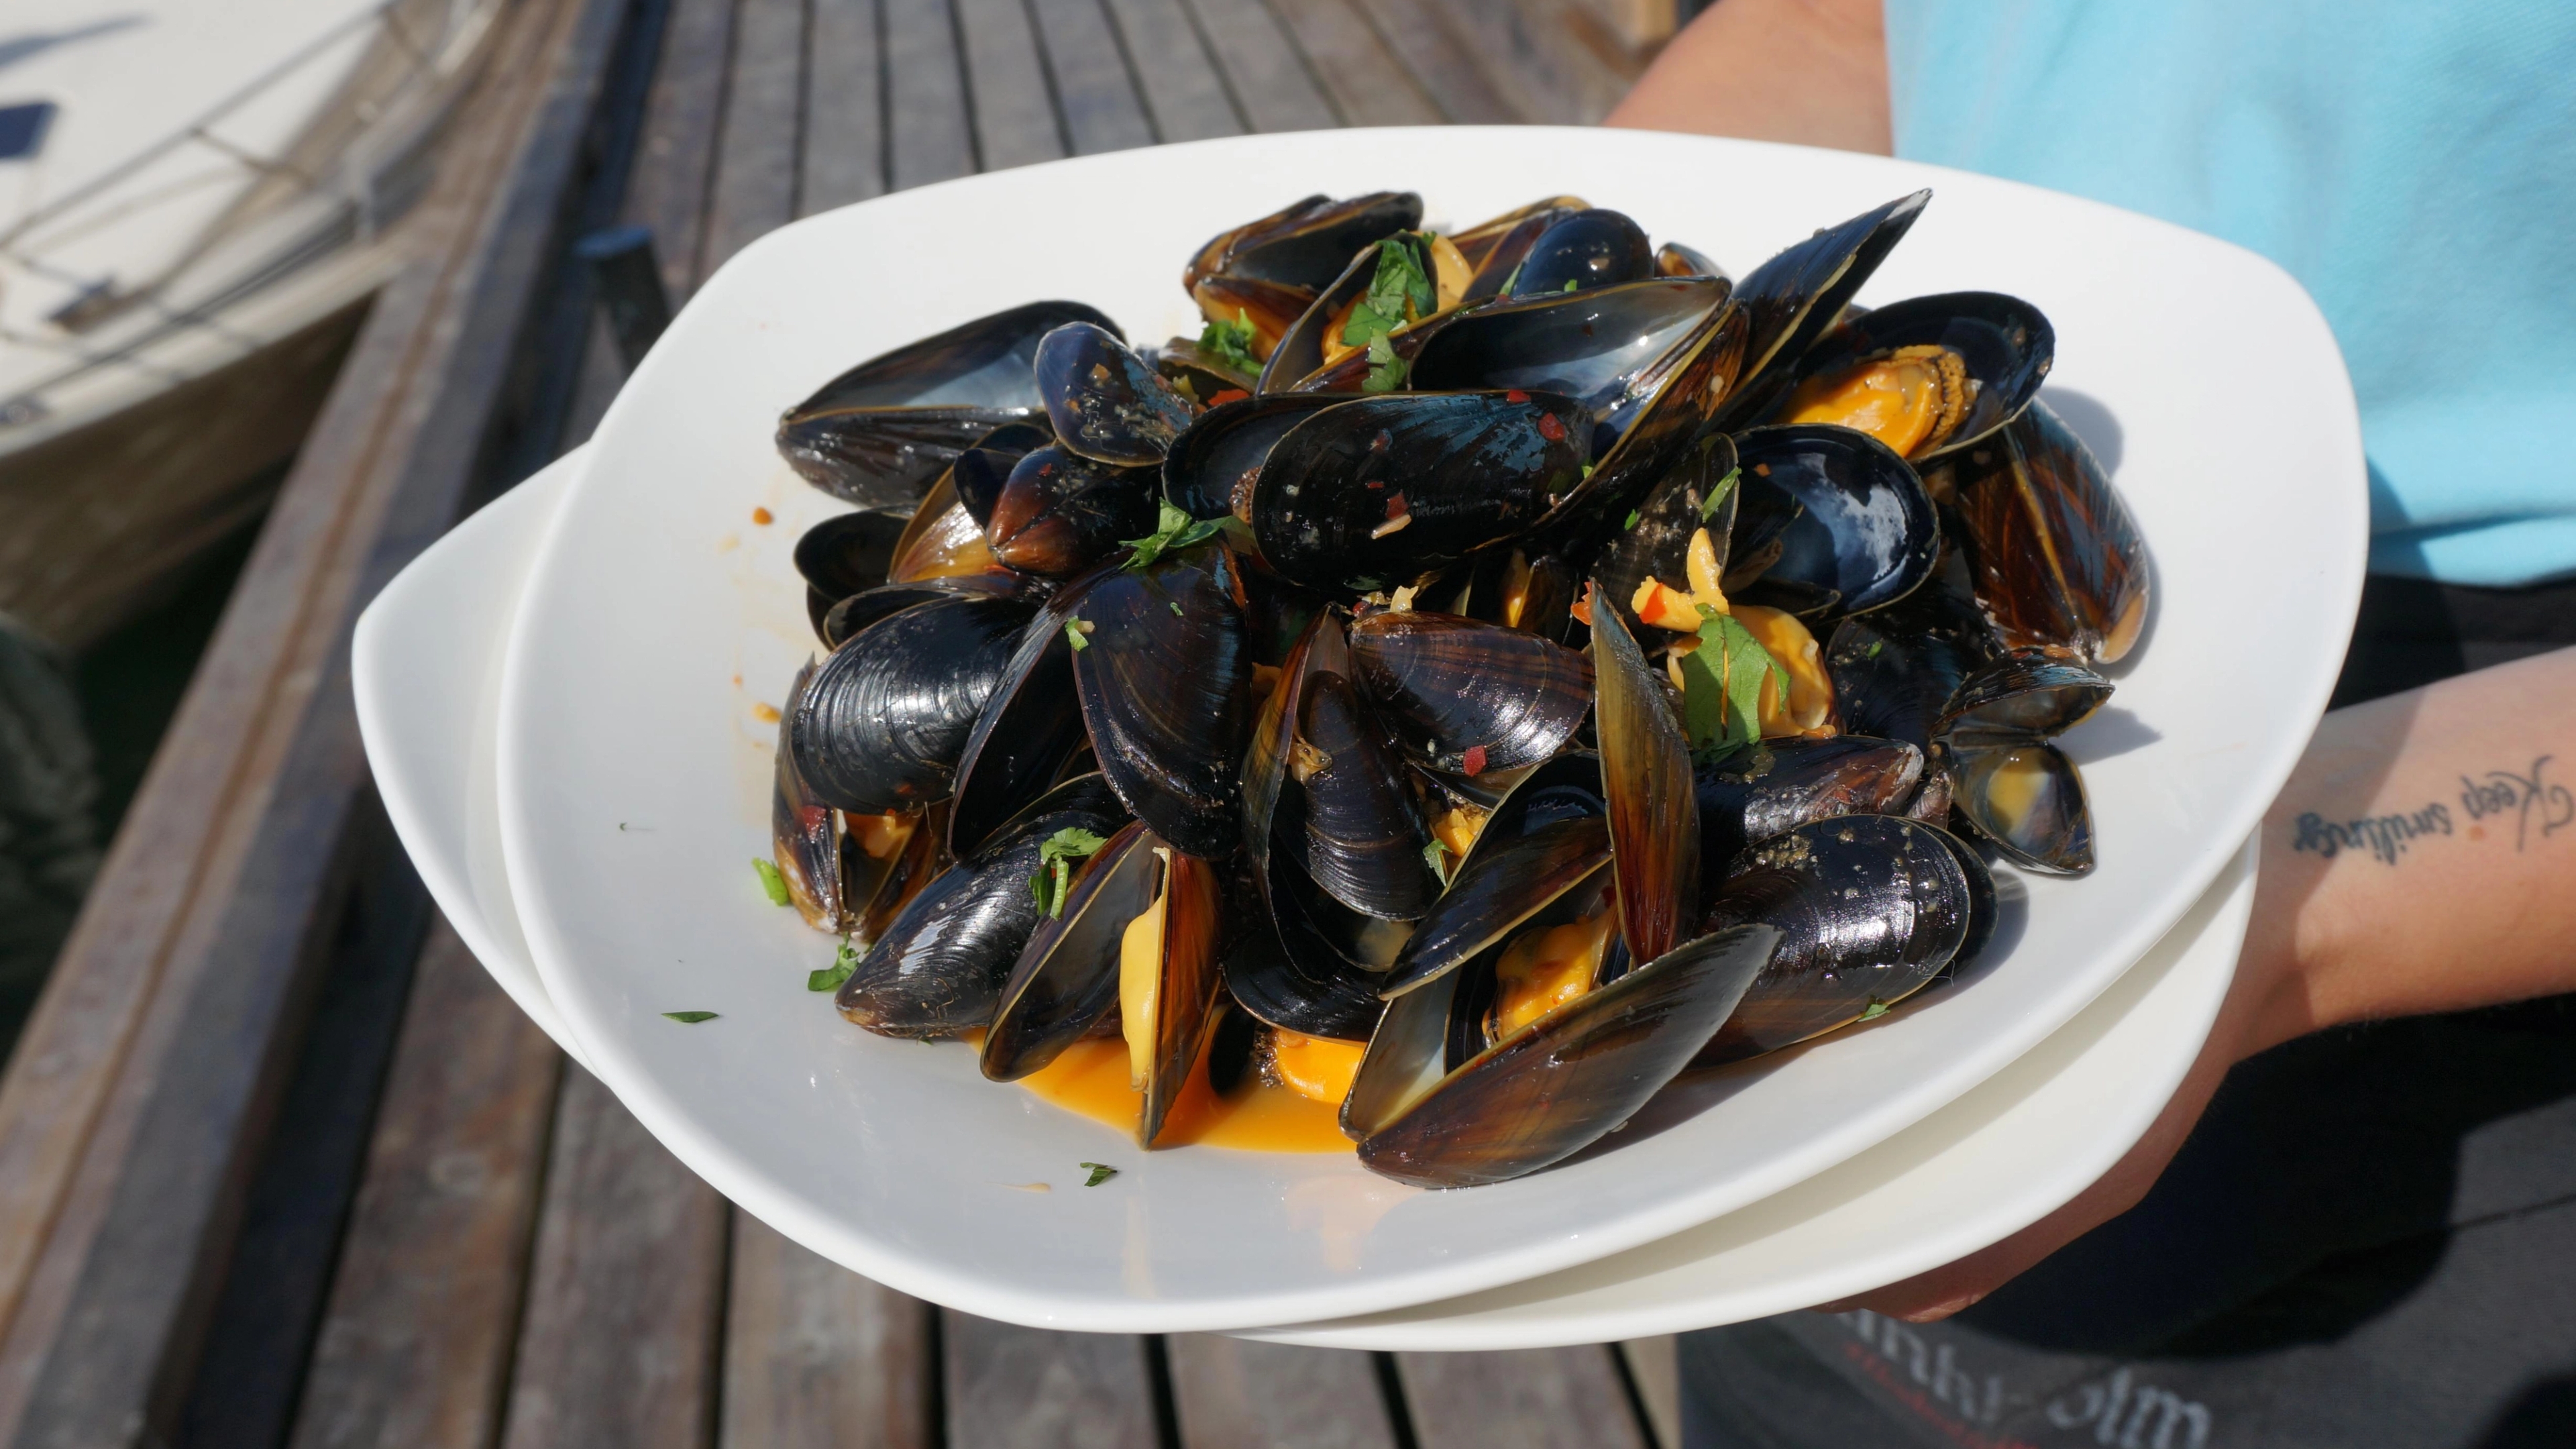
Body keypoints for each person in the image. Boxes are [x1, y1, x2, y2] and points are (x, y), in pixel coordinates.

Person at [1607, 2, 2576, 1444]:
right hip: (1899, 570)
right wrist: (1578, 393)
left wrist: (2253, 922)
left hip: (2463, 794)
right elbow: (1839, 27)